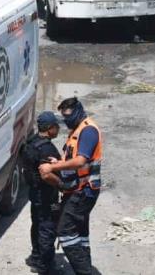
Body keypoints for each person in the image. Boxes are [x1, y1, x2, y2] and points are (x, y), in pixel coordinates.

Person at [39, 98, 101, 275]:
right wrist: (60, 162)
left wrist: (53, 167)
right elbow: (74, 158)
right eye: (64, 116)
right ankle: (86, 267)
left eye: (68, 115)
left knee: (65, 232)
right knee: (80, 234)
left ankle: (84, 272)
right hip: (79, 189)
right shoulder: (79, 129)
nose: (66, 120)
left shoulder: (88, 131)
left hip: (83, 190)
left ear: (78, 111)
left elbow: (81, 161)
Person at [24, 111, 62, 275]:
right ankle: (46, 267)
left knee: (37, 225)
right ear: (49, 128)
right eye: (56, 126)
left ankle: (35, 257)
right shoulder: (47, 149)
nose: (58, 129)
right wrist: (62, 184)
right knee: (47, 229)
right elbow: (47, 175)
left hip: (35, 193)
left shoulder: (32, 142)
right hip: (46, 195)